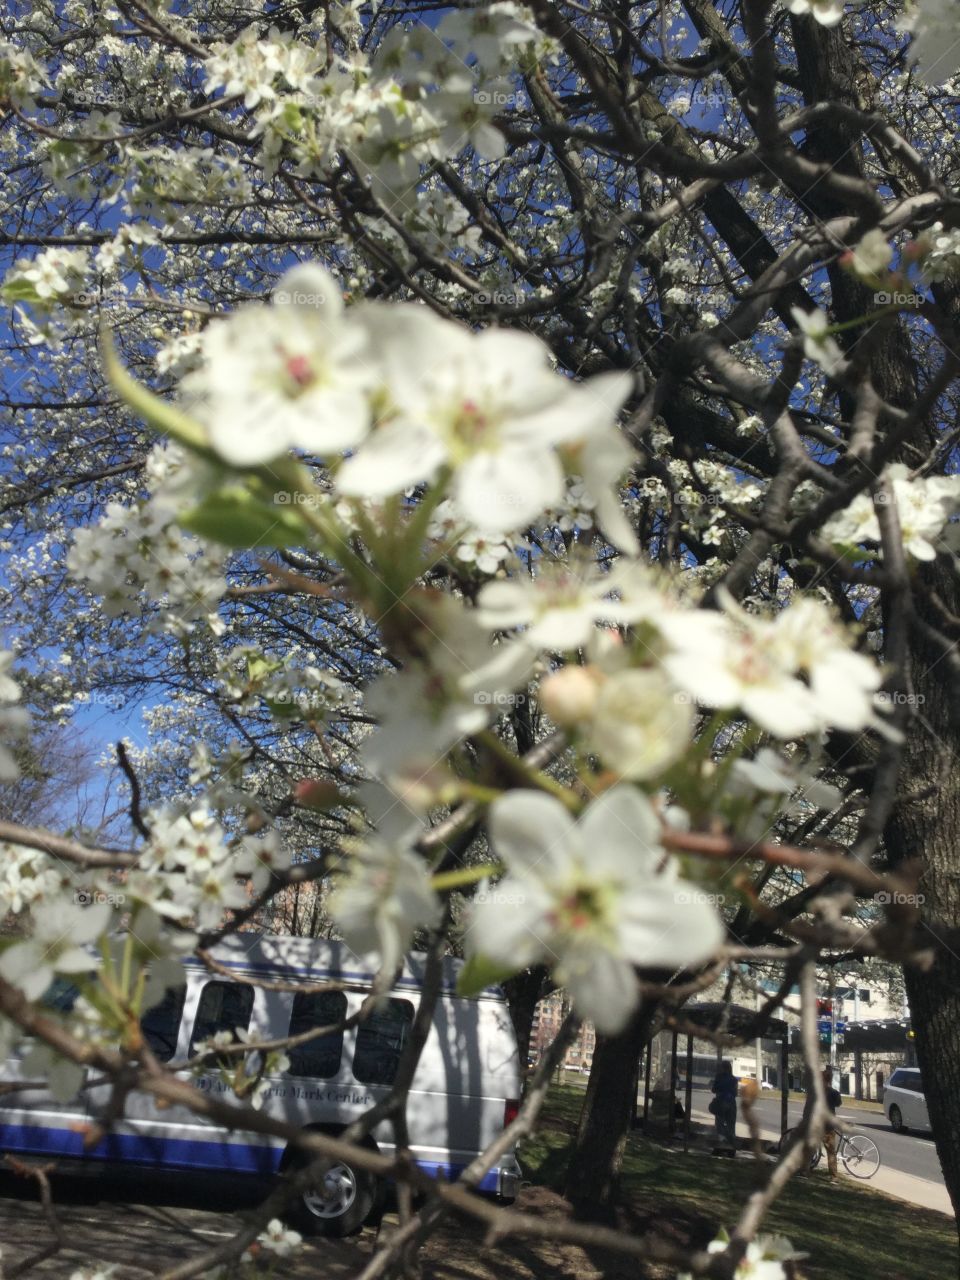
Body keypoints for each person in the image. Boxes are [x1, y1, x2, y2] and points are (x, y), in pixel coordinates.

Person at [711, 1060, 739, 1156]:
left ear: (723, 1068)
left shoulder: (718, 1078)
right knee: (731, 1126)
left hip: (720, 1103)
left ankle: (719, 1147)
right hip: (731, 1103)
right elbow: (735, 1093)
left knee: (719, 1125)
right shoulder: (734, 1079)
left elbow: (713, 1089)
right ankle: (731, 1149)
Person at [822, 1066, 842, 1177]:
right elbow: (838, 1103)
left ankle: (804, 1170)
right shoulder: (834, 1093)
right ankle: (833, 1175)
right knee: (831, 1151)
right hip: (829, 1124)